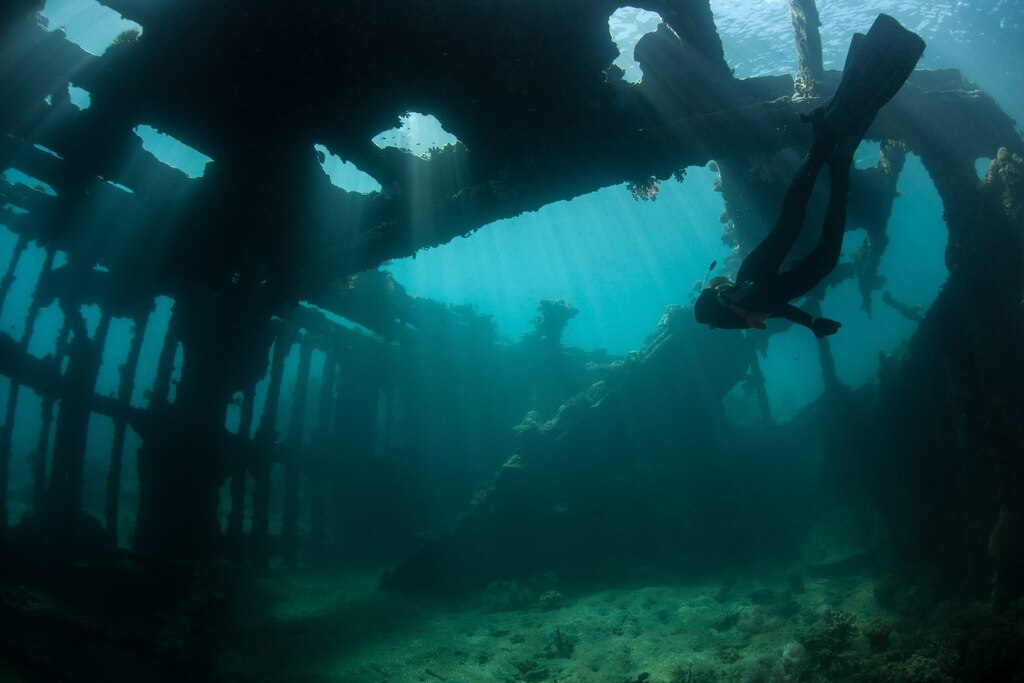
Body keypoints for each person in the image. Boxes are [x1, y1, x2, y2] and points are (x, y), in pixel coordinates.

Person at [694, 14, 924, 338]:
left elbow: (764, 306)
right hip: (749, 288)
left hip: (750, 284)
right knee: (796, 225)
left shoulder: (745, 302)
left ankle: (825, 143)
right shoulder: (750, 306)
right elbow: (778, 309)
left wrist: (734, 301)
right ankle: (830, 149)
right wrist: (811, 323)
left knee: (795, 225)